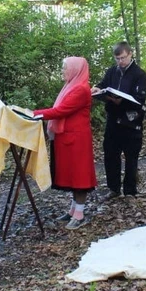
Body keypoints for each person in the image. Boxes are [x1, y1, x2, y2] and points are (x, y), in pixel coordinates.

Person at [34, 57, 97, 230]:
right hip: (67, 138)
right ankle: (73, 210)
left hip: (77, 140)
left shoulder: (81, 89)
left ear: (75, 69)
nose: (63, 71)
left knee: (79, 177)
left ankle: (80, 214)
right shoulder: (71, 85)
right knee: (71, 175)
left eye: (65, 68)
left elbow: (60, 111)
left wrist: (33, 114)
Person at [91, 42, 146, 200]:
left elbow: (140, 98)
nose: (120, 62)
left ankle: (130, 191)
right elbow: (104, 85)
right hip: (112, 120)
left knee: (131, 157)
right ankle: (113, 188)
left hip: (131, 122)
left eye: (123, 58)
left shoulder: (139, 74)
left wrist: (121, 101)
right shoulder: (111, 72)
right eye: (117, 59)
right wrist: (97, 89)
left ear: (130, 54)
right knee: (110, 155)